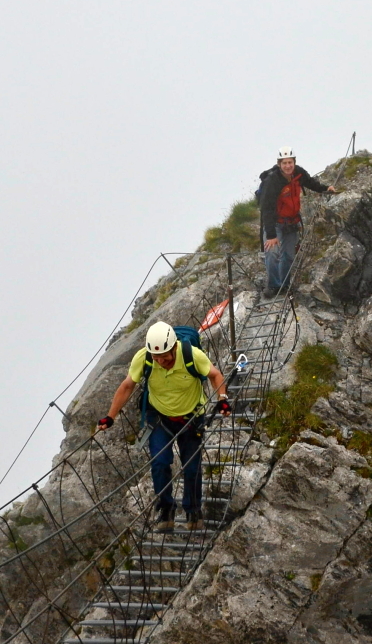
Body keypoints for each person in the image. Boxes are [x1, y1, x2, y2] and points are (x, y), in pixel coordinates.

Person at [97, 321, 230, 531]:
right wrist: (109, 417)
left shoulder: (192, 355)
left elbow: (215, 375)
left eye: (165, 357)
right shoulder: (144, 358)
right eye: (156, 357)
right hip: (159, 418)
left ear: (175, 347)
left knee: (191, 467)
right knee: (159, 463)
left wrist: (222, 399)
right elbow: (127, 386)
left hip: (190, 418)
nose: (160, 361)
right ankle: (166, 511)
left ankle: (193, 511)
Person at [260, 146, 335, 298]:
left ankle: (284, 285)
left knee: (288, 255)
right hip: (276, 223)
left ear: (294, 162)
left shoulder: (298, 173)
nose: (288, 166)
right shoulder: (272, 181)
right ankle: (273, 286)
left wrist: (325, 188)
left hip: (292, 222)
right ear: (279, 164)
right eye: (284, 163)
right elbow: (266, 208)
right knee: (273, 253)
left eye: (290, 162)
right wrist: (271, 235)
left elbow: (310, 182)